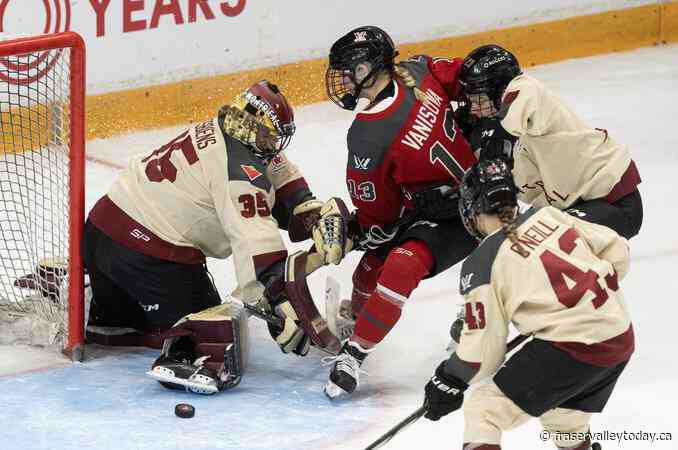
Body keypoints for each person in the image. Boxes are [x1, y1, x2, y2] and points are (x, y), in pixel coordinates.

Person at [83, 80, 326, 393]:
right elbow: (257, 250)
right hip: (143, 256)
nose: (274, 143)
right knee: (212, 325)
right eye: (270, 134)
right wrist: (280, 304)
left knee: (123, 322)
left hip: (100, 232)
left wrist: (309, 208)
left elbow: (279, 168)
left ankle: (102, 304)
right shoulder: (238, 171)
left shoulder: (230, 128)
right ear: (254, 125)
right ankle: (181, 357)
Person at [422, 158, 633, 450]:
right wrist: (584, 301)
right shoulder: (549, 216)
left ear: (474, 209)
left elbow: (482, 354)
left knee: (484, 410)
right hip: (619, 335)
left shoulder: (482, 262)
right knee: (564, 419)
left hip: (573, 348)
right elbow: (617, 248)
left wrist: (449, 378)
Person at [314, 25, 478, 399]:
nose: (340, 80)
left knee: (394, 261)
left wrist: (361, 229)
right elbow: (471, 79)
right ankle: (358, 318)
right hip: (476, 194)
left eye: (345, 71)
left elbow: (379, 215)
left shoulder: (366, 137)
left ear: (364, 70)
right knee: (375, 263)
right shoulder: (420, 69)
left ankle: (354, 350)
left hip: (465, 213)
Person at [458, 44, 642, 240]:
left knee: (542, 241)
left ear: (499, 90)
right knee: (524, 243)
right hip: (578, 205)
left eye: (480, 100)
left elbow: (514, 106)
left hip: (613, 201)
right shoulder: (507, 140)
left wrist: (492, 152)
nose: (474, 110)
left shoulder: (528, 91)